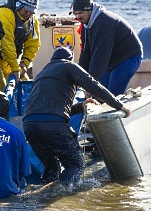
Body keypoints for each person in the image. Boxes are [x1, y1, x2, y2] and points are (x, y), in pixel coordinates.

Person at [23, 47, 131, 186]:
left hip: (30, 126)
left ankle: (43, 195)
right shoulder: (69, 66)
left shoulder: (42, 74)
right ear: (70, 59)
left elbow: (50, 110)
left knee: (52, 167)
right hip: (52, 125)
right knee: (75, 164)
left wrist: (81, 106)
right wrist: (119, 105)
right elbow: (93, 85)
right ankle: (59, 196)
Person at [71, 0, 143, 96]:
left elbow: (100, 57)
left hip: (128, 57)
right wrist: (79, 80)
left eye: (80, 13)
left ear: (89, 10)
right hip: (111, 59)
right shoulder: (86, 25)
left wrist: (91, 86)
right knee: (99, 94)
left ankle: (119, 109)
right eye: (75, 14)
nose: (78, 17)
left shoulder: (103, 23)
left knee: (111, 94)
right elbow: (86, 54)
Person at [0, 0, 41, 91]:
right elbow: (6, 44)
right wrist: (15, 68)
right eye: (26, 10)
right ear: (20, 5)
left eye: (32, 11)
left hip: (10, 62)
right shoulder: (5, 15)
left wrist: (24, 63)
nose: (28, 14)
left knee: (27, 89)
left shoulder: (33, 21)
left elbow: (33, 44)